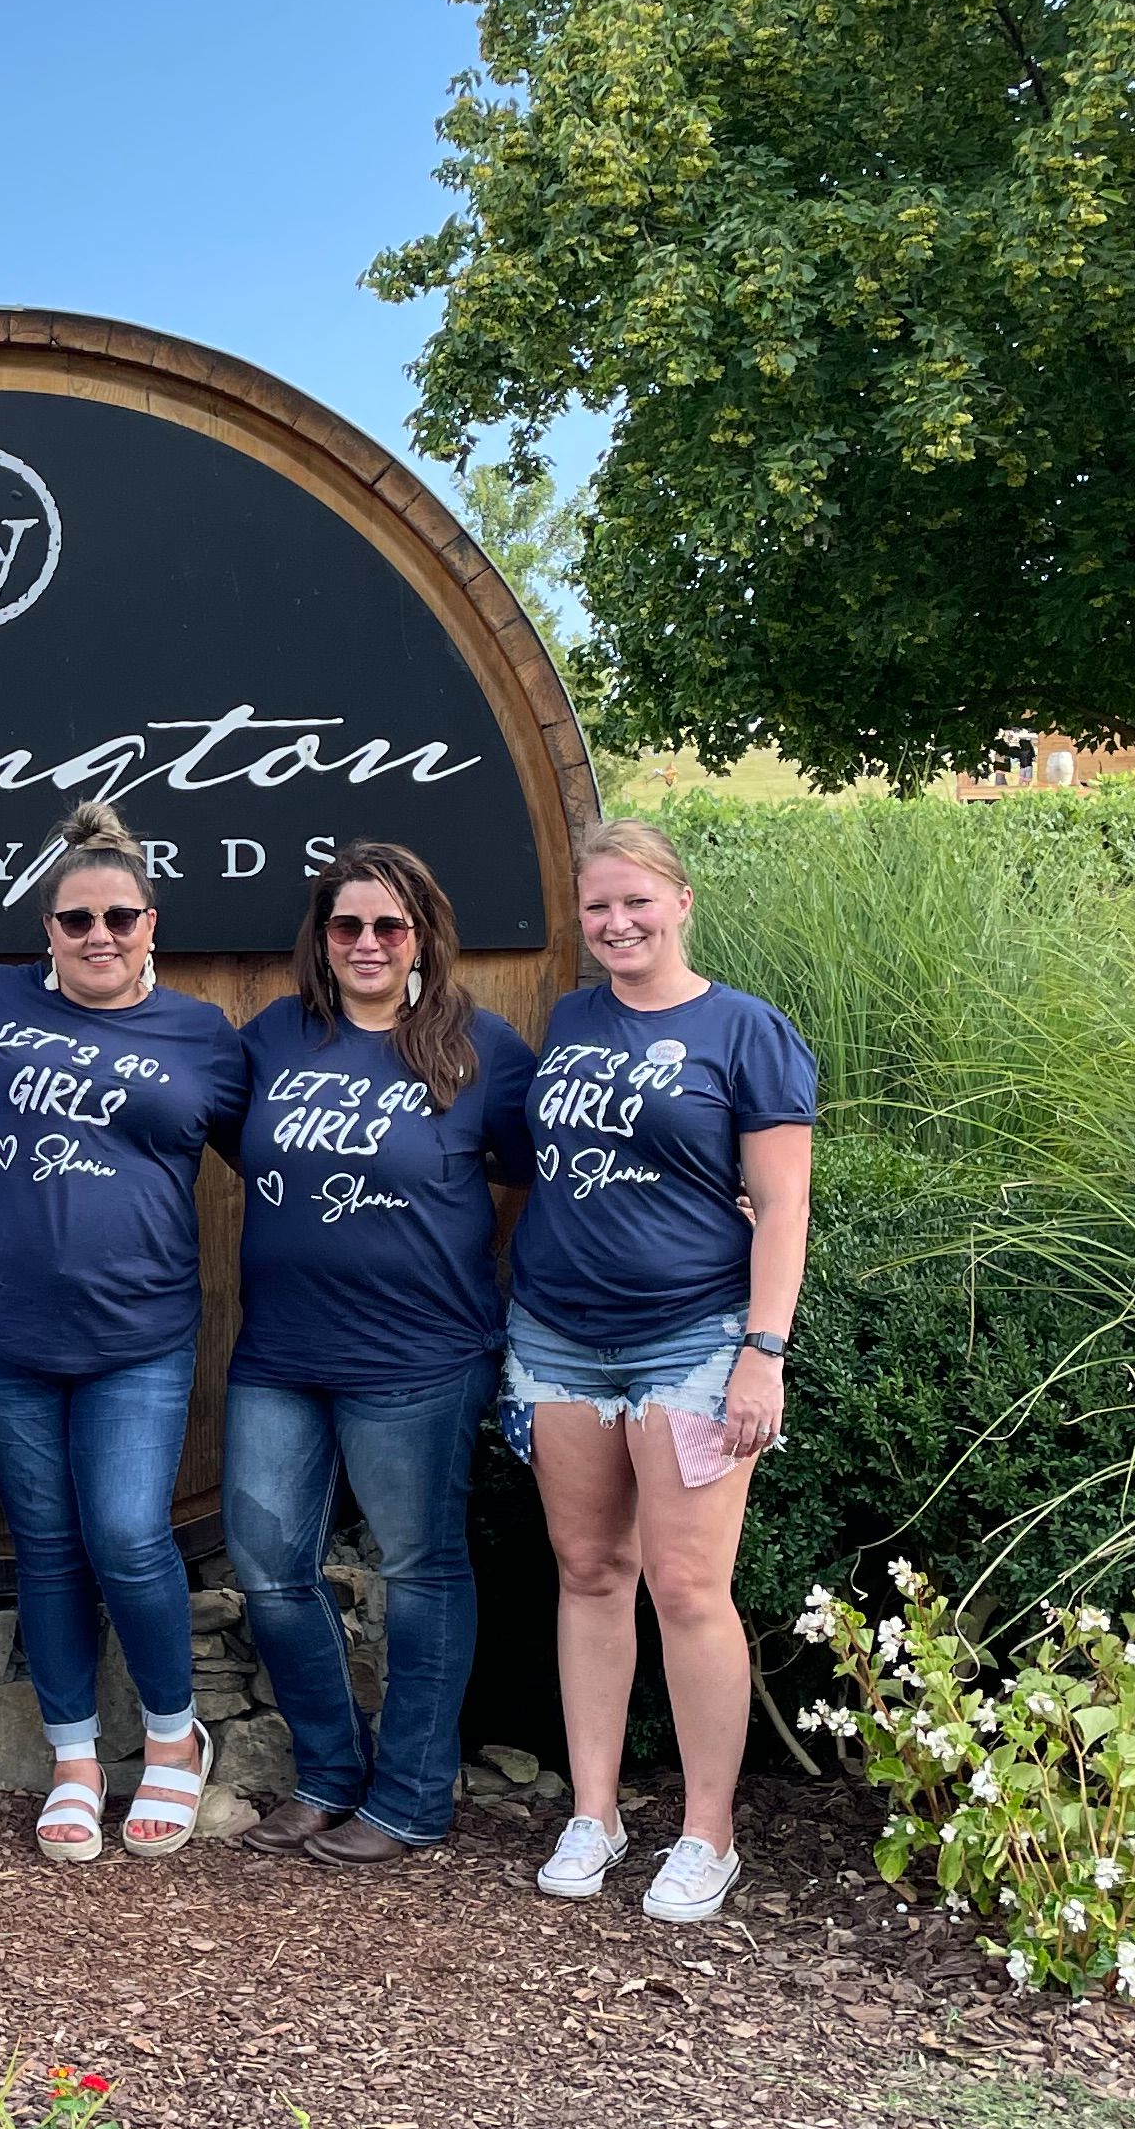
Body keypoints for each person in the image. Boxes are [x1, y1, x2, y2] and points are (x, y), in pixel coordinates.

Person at [508, 818, 817, 1929]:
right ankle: (593, 1813)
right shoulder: (573, 1019)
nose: (618, 923)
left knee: (689, 1589)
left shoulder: (747, 1031)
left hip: (694, 1338)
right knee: (589, 1568)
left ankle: (707, 1832)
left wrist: (761, 1354)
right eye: (599, 907)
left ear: (682, 901)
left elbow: (782, 1205)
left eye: (638, 901)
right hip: (555, 1338)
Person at [0, 805, 244, 1866]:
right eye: (75, 920)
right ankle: (72, 1758)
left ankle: (170, 1736)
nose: (97, 934)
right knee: (47, 1546)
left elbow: (275, 1160)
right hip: (6, 1330)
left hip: (138, 1334)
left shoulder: (202, 1035)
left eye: (119, 916)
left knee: (125, 1531)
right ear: (46, 928)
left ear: (153, 922)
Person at [220, 843, 535, 1868]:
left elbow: (556, 1170)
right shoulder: (278, 1037)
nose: (365, 943)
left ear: (422, 938)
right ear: (321, 938)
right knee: (270, 1568)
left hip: (420, 1357)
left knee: (420, 1569)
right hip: (281, 1353)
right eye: (346, 926)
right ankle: (326, 1778)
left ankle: (409, 1798)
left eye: (387, 927)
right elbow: (226, 1130)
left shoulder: (478, 1051)